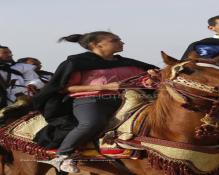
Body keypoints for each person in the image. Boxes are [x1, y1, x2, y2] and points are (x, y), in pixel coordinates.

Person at [33, 31, 158, 173]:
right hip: (90, 101)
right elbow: (65, 88)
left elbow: (144, 82)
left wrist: (151, 78)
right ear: (96, 45)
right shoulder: (78, 63)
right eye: (115, 40)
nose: (122, 42)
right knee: (92, 123)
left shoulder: (129, 64)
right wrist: (104, 87)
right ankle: (63, 155)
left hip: (129, 101)